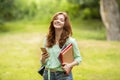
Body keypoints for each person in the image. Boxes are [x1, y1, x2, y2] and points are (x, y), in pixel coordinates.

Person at [40, 12, 82, 80]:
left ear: (65, 24)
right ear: (53, 22)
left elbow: (78, 58)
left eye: (61, 20)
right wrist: (43, 58)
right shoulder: (47, 39)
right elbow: (43, 62)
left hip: (63, 75)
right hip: (48, 74)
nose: (58, 21)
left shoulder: (70, 41)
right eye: (56, 19)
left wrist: (69, 65)